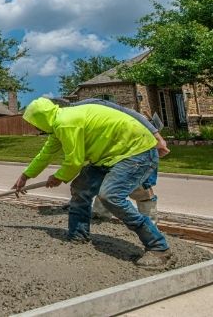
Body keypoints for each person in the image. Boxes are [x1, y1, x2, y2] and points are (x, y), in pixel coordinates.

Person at [13, 97, 172, 269]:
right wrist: (25, 176)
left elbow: (74, 161)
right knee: (81, 188)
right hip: (109, 156)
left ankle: (159, 248)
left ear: (39, 119)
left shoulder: (66, 123)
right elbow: (45, 154)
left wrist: (58, 177)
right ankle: (78, 235)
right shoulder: (59, 124)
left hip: (136, 152)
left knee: (110, 196)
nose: (34, 127)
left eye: (33, 123)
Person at [52, 98, 169, 221]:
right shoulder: (71, 122)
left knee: (140, 186)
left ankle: (149, 220)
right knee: (105, 182)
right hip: (111, 150)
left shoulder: (93, 105)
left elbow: (133, 115)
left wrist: (157, 136)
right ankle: (100, 215)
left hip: (136, 144)